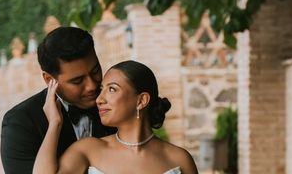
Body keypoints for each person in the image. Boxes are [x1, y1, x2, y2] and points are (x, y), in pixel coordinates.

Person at [33, 60, 199, 174]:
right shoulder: (89, 149)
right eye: (102, 89)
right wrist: (55, 123)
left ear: (141, 100)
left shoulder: (180, 159)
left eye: (112, 89)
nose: (99, 99)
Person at [1, 27, 117, 174]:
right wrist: (55, 124)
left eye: (95, 71)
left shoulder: (118, 105)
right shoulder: (21, 122)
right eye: (77, 80)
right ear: (49, 79)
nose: (92, 85)